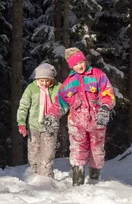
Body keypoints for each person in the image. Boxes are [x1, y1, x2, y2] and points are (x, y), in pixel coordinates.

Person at [45, 47, 115, 186]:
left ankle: (94, 180)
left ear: (85, 60)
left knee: (97, 151)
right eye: (75, 64)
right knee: (77, 151)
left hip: (97, 121)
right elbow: (60, 103)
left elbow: (107, 92)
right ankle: (78, 182)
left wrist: (105, 106)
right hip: (76, 123)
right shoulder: (68, 83)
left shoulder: (97, 75)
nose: (79, 66)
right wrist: (51, 116)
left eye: (81, 62)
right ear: (71, 66)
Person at [16, 62, 62, 178]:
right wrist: (21, 123)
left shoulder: (59, 87)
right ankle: (34, 176)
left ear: (52, 78)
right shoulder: (31, 88)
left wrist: (55, 115)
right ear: (37, 79)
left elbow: (63, 104)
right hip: (34, 126)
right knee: (33, 153)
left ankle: (46, 178)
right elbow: (23, 106)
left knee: (48, 153)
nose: (45, 83)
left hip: (50, 126)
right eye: (42, 81)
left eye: (47, 80)